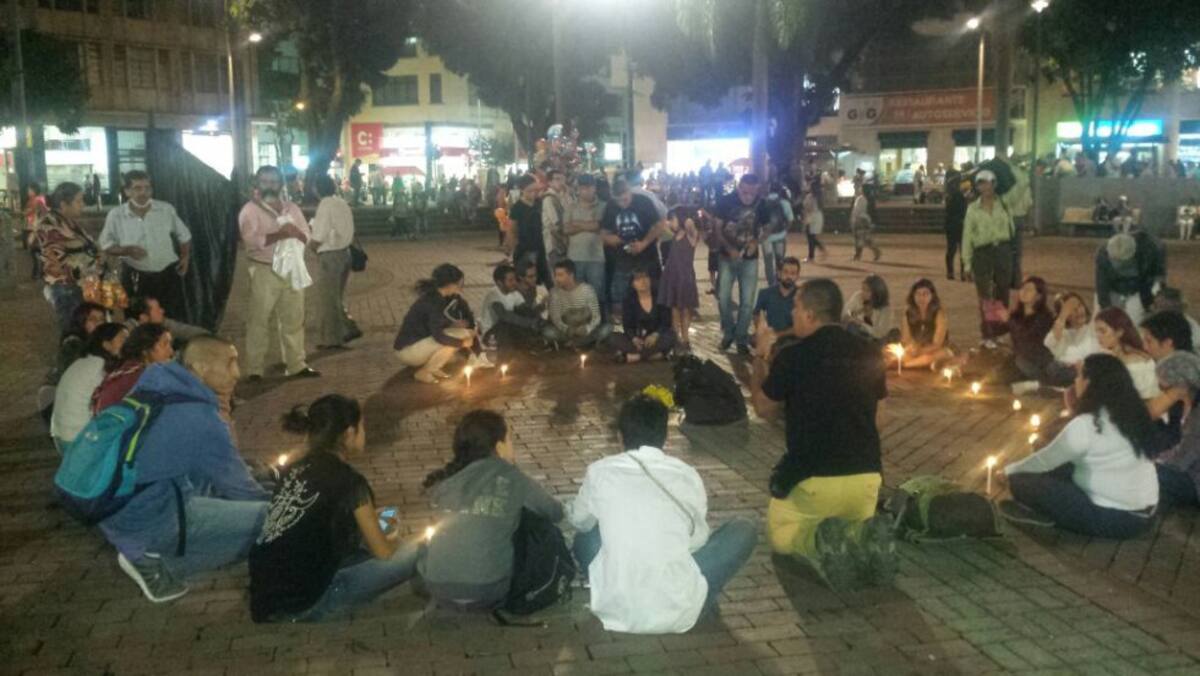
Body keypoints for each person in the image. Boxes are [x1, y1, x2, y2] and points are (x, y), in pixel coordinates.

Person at [568, 393, 757, 633]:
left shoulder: (599, 472)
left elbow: (580, 521)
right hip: (678, 605)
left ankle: (617, 588)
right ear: (665, 439)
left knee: (586, 536)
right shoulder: (686, 474)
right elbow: (696, 540)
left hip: (617, 607)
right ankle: (702, 598)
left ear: (620, 437)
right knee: (744, 528)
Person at [750, 279, 894, 590]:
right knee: (851, 519)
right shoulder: (869, 352)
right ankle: (861, 536)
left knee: (782, 536)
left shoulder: (793, 356)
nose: (792, 314)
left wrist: (761, 357)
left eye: (796, 308)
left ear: (811, 316)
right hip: (866, 478)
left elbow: (763, 408)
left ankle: (816, 542)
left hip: (813, 479)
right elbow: (881, 419)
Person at [101, 337, 270, 603]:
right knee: (274, 521)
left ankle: (146, 551)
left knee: (230, 494)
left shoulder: (157, 384)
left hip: (117, 510)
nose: (238, 373)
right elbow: (242, 489)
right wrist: (284, 509)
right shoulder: (199, 417)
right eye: (230, 363)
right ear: (201, 369)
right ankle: (155, 563)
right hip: (153, 517)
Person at [249, 395, 421, 622]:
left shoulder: (293, 469)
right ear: (349, 433)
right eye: (363, 428)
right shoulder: (350, 482)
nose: (364, 434)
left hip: (265, 596)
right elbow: (383, 553)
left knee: (387, 516)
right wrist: (392, 538)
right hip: (309, 600)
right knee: (419, 549)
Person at [1001, 354, 1158, 539]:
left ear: (1089, 383)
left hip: (1112, 518)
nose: (1075, 381)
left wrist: (1008, 472)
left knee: (1021, 481)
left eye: (1079, 376)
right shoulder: (1134, 414)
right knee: (1059, 467)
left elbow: (1044, 461)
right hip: (1147, 514)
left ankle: (1050, 516)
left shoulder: (1087, 424)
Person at [419, 410, 563, 607]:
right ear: (498, 446)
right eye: (510, 439)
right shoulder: (512, 476)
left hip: (437, 588)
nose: (513, 446)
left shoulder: (448, 478)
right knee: (540, 525)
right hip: (489, 590)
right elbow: (554, 512)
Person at [238, 166, 320, 381]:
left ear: (281, 184)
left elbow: (308, 236)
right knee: (259, 320)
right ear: (257, 183)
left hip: (292, 269)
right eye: (265, 181)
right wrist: (280, 235)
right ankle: (255, 369)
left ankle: (296, 364)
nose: (270, 186)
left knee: (294, 318)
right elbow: (251, 242)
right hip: (265, 269)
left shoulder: (291, 208)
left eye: (274, 182)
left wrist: (297, 235)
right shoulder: (250, 210)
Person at [98, 171, 192, 320]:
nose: (144, 192)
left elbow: (184, 236)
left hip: (167, 276)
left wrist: (185, 256)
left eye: (147, 188)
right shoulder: (116, 215)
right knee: (137, 318)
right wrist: (126, 250)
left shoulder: (165, 209)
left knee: (170, 317)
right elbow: (105, 244)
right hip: (136, 277)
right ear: (127, 191)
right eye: (137, 188)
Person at [394, 264, 490, 383]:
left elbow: (433, 325)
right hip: (408, 351)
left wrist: (453, 326)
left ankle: (433, 368)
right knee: (460, 336)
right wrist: (462, 343)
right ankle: (425, 371)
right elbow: (438, 336)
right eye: (460, 284)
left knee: (464, 333)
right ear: (450, 284)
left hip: (417, 345)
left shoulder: (436, 296)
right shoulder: (434, 301)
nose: (461, 288)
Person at [712, 174, 769, 354]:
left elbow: (766, 229)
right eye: (745, 191)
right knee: (723, 297)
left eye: (752, 192)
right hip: (726, 258)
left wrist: (756, 242)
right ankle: (728, 333)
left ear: (757, 190)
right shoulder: (725, 201)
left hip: (749, 259)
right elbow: (717, 229)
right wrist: (729, 248)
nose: (748, 196)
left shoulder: (762, 204)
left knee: (747, 302)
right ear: (739, 187)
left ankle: (741, 337)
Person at [50, 323, 127, 451]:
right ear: (106, 345)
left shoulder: (84, 362)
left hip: (61, 435)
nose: (129, 343)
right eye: (123, 339)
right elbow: (108, 408)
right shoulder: (101, 368)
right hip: (78, 439)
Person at [37, 182, 100, 333]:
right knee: (72, 330)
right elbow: (59, 259)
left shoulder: (68, 222)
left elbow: (87, 247)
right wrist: (92, 261)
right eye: (79, 201)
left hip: (79, 285)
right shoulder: (48, 224)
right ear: (64, 204)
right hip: (66, 286)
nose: (83, 204)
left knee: (83, 329)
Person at [962, 170, 1016, 345]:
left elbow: (1021, 187)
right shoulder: (973, 209)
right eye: (982, 183)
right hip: (982, 252)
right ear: (977, 186)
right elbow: (967, 236)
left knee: (1003, 293)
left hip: (1002, 249)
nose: (986, 186)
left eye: (990, 182)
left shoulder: (1005, 204)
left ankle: (1001, 331)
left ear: (995, 184)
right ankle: (988, 333)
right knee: (985, 296)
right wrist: (967, 263)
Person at [310, 175, 363, 350]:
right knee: (335, 296)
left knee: (327, 298)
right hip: (345, 253)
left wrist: (312, 245)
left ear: (317, 188)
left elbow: (320, 232)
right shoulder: (341, 203)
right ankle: (348, 327)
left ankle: (332, 338)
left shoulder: (325, 204)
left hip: (331, 255)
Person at [601, 179, 664, 310]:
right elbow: (604, 233)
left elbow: (659, 225)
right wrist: (615, 239)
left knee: (653, 291)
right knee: (622, 296)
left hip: (647, 256)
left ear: (630, 192)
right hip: (623, 258)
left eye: (625, 200)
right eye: (618, 201)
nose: (622, 204)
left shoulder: (644, 202)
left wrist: (644, 243)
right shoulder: (611, 206)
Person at [92, 322, 175, 414]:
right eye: (165, 344)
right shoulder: (140, 378)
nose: (171, 351)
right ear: (145, 350)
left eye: (170, 344)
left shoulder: (127, 371)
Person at [999, 276, 1058, 389]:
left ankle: (1041, 382)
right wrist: (994, 318)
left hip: (1037, 361)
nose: (1024, 292)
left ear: (1039, 296)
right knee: (997, 376)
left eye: (1029, 289)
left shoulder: (1044, 317)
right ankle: (1029, 382)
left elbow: (1027, 336)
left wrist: (1009, 320)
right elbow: (1001, 331)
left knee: (1020, 364)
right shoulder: (1017, 315)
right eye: (1022, 288)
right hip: (1019, 358)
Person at [1095, 231, 1166, 325]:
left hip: (1140, 285)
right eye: (1115, 261)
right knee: (1106, 321)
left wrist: (1149, 305)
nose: (1118, 267)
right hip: (1113, 288)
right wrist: (1107, 313)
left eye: (1123, 264)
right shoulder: (1102, 254)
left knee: (1139, 322)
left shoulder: (1150, 250)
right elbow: (1102, 288)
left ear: (1134, 254)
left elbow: (1152, 281)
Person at [1092, 306, 1160, 402]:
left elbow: (1148, 399)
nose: (1098, 336)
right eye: (1096, 331)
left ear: (1119, 332)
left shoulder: (1138, 362)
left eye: (1102, 331)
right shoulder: (1106, 356)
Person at [657, 207, 700, 354]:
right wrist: (668, 222)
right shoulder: (675, 235)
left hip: (685, 276)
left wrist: (686, 218)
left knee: (686, 308)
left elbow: (691, 226)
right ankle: (676, 337)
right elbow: (663, 228)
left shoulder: (690, 235)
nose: (671, 223)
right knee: (674, 308)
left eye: (673, 219)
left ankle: (686, 338)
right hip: (672, 275)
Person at [563, 174, 607, 316]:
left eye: (589, 188)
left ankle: (597, 323)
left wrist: (577, 224)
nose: (586, 191)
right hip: (575, 257)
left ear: (594, 188)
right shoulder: (570, 207)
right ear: (578, 189)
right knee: (576, 295)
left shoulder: (603, 206)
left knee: (597, 293)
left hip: (597, 258)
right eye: (583, 188)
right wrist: (590, 225)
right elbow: (566, 229)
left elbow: (599, 226)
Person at [610, 268, 674, 363]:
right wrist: (634, 339)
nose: (643, 281)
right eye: (638, 279)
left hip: (655, 338)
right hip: (638, 339)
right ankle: (657, 355)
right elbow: (627, 326)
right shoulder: (629, 301)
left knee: (671, 336)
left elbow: (666, 322)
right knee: (612, 337)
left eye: (645, 277)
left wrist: (655, 335)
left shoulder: (660, 297)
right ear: (632, 284)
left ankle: (634, 357)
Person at [544, 259, 611, 349]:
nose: (556, 279)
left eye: (560, 275)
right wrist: (569, 329)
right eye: (555, 275)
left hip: (586, 330)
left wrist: (587, 329)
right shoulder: (554, 292)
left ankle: (579, 342)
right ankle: (583, 342)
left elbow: (596, 316)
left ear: (571, 275)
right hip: (567, 331)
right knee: (548, 332)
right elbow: (556, 318)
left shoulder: (587, 290)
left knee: (607, 328)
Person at [479, 264, 546, 353]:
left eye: (514, 279)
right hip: (491, 335)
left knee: (523, 318)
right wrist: (530, 323)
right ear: (500, 283)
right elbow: (504, 316)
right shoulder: (493, 294)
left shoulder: (514, 294)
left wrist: (541, 308)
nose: (515, 283)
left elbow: (526, 311)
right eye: (510, 280)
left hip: (507, 333)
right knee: (507, 322)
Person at [891, 278, 954, 371]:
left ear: (932, 296)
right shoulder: (908, 313)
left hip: (935, 350)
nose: (921, 298)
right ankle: (917, 363)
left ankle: (905, 365)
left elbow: (937, 343)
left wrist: (920, 351)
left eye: (925, 294)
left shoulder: (939, 314)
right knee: (890, 349)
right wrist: (911, 347)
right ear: (913, 296)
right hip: (915, 350)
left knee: (933, 356)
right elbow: (906, 338)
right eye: (918, 294)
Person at [752, 257, 802, 360]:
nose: (789, 276)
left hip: (792, 340)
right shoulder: (765, 293)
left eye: (793, 273)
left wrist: (777, 335)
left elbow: (800, 327)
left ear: (797, 276)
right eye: (786, 272)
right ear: (779, 274)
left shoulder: (802, 296)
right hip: (770, 338)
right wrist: (760, 330)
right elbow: (756, 314)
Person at [510, 175, 548, 288]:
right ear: (522, 190)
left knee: (546, 278)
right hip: (525, 249)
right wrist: (513, 248)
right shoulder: (517, 207)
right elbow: (512, 230)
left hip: (541, 247)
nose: (533, 194)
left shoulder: (539, 203)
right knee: (526, 281)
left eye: (535, 190)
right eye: (529, 191)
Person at [123, 295, 209, 345]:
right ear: (144, 318)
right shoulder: (126, 334)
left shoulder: (163, 323)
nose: (162, 311)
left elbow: (186, 331)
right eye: (158, 309)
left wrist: (211, 338)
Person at [842, 274, 895, 343]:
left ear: (877, 292)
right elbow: (846, 311)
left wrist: (861, 324)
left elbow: (880, 333)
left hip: (875, 340)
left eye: (867, 291)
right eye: (863, 289)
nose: (863, 293)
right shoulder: (858, 297)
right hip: (859, 335)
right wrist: (850, 315)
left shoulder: (885, 309)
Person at [760, 184, 792, 286]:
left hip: (766, 237)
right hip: (780, 236)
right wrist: (785, 231)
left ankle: (771, 283)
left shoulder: (762, 203)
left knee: (768, 262)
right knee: (780, 260)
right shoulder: (784, 203)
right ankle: (779, 280)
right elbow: (790, 220)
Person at [541, 169, 571, 272]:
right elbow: (556, 223)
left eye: (562, 179)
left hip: (564, 242)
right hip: (555, 244)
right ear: (549, 182)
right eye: (557, 179)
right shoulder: (549, 199)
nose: (561, 182)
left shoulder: (564, 196)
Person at [943, 170, 967, 280]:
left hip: (951, 224)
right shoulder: (959, 195)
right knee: (962, 250)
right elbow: (964, 210)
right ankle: (962, 272)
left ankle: (950, 272)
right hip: (960, 224)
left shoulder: (949, 195)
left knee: (951, 250)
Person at [849, 181, 881, 262]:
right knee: (864, 238)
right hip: (865, 220)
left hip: (860, 220)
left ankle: (859, 255)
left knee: (859, 238)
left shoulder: (861, 199)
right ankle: (874, 251)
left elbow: (856, 211)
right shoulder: (869, 199)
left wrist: (853, 219)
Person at [23, 182, 48, 280]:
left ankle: (38, 273)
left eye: (29, 190)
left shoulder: (37, 200)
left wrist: (26, 212)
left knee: (35, 251)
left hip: (35, 228)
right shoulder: (39, 199)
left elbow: (29, 212)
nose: (28, 192)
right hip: (36, 228)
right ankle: (40, 272)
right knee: (38, 250)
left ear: (34, 190)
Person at [800, 185, 826, 262]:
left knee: (810, 238)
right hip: (818, 217)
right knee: (812, 237)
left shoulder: (810, 197)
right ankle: (813, 255)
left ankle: (813, 255)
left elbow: (806, 207)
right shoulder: (820, 197)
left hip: (811, 217)